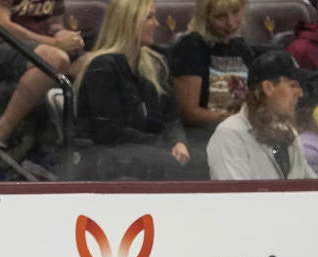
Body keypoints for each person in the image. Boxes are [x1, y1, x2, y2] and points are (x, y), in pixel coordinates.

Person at [73, 0, 197, 180]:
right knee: (170, 164)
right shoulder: (102, 66)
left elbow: (172, 117)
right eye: (149, 17)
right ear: (129, 22)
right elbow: (110, 132)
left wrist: (178, 141)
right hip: (109, 154)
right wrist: (164, 144)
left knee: (202, 157)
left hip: (150, 148)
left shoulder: (156, 64)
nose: (156, 24)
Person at [0, 0, 84, 150]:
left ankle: (75, 145)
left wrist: (63, 35)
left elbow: (53, 22)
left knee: (90, 63)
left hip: (34, 45)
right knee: (55, 59)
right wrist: (55, 44)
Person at [207, 50, 317, 179]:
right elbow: (236, 196)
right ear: (268, 87)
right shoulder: (230, 134)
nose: (300, 93)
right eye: (293, 85)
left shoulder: (288, 133)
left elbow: (311, 188)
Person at [169, 0, 254, 151]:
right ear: (205, 17)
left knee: (276, 151)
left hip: (242, 134)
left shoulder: (241, 47)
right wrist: (233, 120)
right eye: (220, 17)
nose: (230, 23)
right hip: (204, 139)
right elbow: (188, 112)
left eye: (236, 12)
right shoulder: (190, 46)